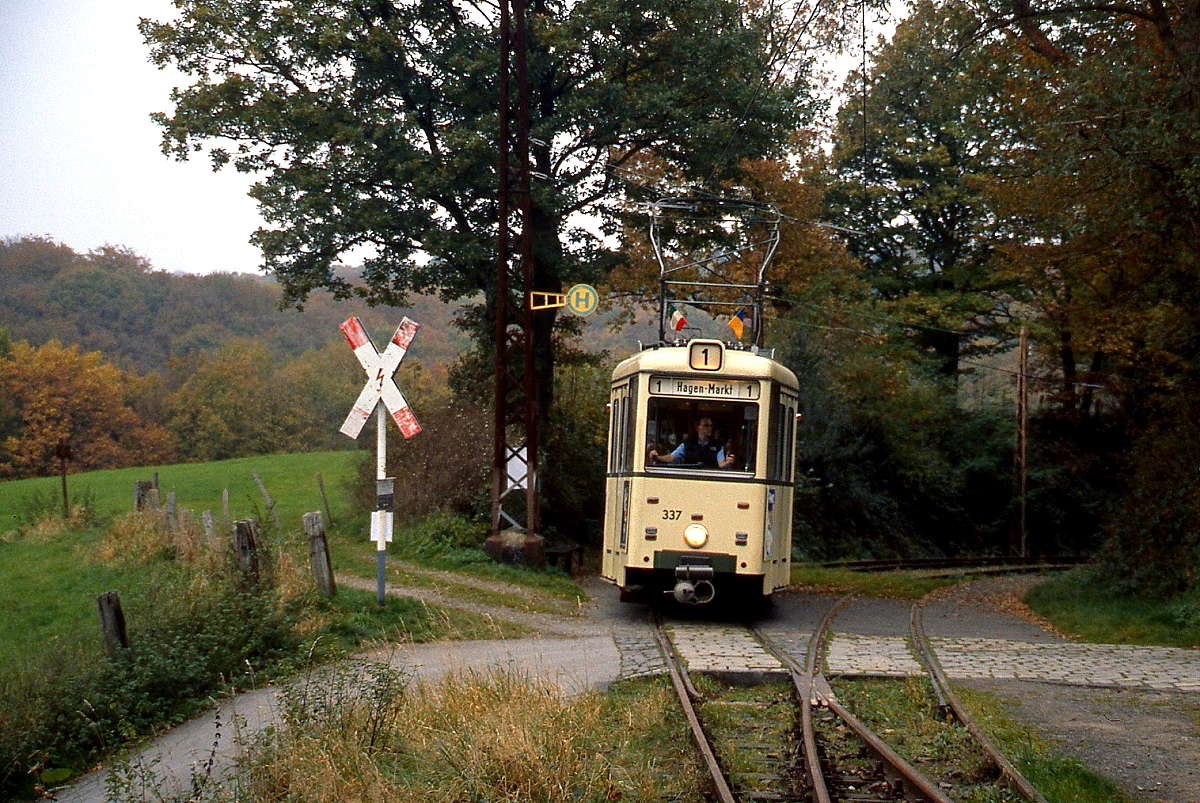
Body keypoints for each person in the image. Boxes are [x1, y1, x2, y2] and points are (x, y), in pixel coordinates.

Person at [649, 417, 736, 468]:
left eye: (710, 426)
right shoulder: (687, 444)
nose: (709, 428)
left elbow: (721, 463)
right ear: (697, 427)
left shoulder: (717, 445)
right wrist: (658, 458)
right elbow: (672, 458)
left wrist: (728, 462)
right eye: (706, 425)